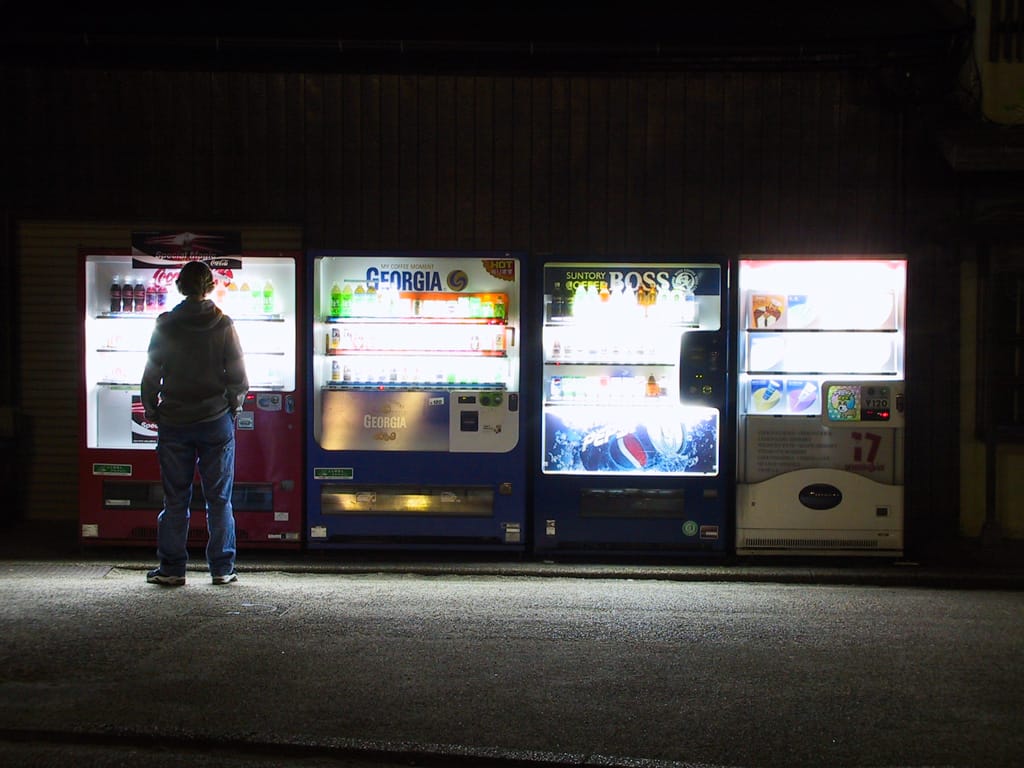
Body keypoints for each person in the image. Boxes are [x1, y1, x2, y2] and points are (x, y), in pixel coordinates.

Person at [141, 260, 248, 586]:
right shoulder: (223, 324)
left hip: (175, 420)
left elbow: (151, 373)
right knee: (219, 499)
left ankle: (172, 569)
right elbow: (239, 377)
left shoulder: (166, 325)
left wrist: (151, 408)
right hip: (215, 421)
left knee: (176, 499)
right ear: (210, 286)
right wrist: (232, 407)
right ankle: (222, 568)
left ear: (180, 287)